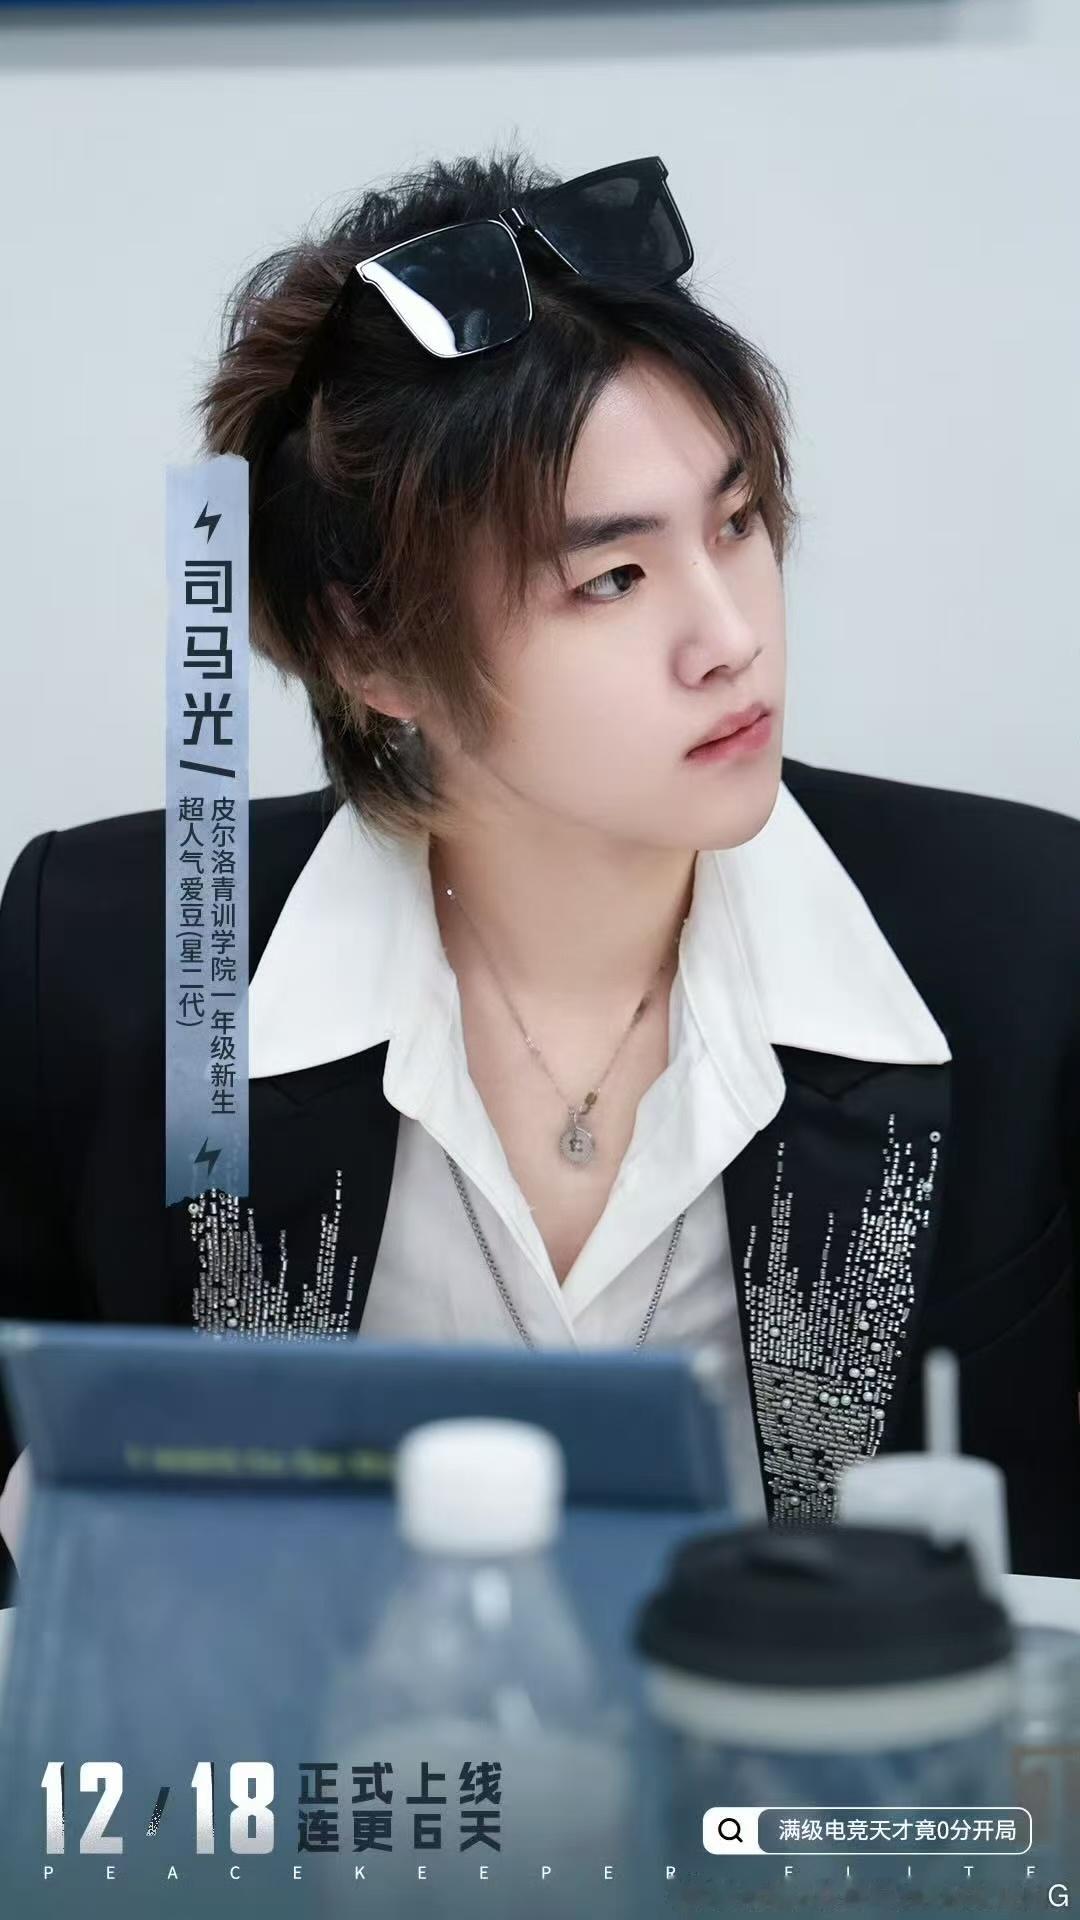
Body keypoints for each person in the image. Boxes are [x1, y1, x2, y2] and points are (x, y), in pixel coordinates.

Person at [1, 148, 1078, 1610]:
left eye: (737, 524)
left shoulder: (1020, 943)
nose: (731, 637)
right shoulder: (117, 963)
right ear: (372, 650)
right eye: (611, 580)